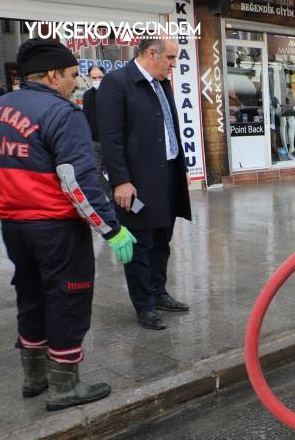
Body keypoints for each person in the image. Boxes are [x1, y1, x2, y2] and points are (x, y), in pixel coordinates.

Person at [0, 39, 135, 411]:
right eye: (73, 75)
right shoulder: (62, 113)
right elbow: (78, 183)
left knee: (30, 294)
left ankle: (34, 376)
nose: (76, 84)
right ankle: (64, 386)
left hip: (14, 227)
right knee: (67, 299)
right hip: (56, 228)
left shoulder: (2, 107)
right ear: (53, 74)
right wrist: (111, 228)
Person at [98, 37, 192, 331]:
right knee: (140, 245)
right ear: (151, 53)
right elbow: (110, 138)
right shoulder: (117, 83)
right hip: (136, 182)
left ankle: (159, 292)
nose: (174, 65)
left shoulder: (161, 83)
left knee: (162, 240)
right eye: (171, 58)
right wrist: (121, 181)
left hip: (166, 175)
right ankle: (145, 306)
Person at [81, 65, 110, 197]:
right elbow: (85, 116)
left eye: (99, 77)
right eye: (94, 78)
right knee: (95, 175)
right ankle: (111, 197)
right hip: (94, 142)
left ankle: (129, 203)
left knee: (118, 175)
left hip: (110, 142)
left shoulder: (112, 93)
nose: (97, 80)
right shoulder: (87, 95)